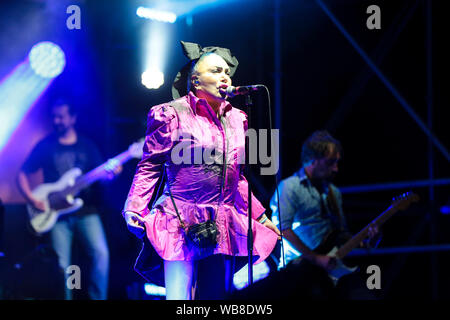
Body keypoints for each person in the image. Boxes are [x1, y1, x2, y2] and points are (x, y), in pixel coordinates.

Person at [122, 41, 280, 300]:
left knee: (215, 295)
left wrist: (260, 217)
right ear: (195, 80)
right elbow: (150, 165)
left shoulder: (237, 118)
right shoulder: (171, 114)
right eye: (216, 71)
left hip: (222, 219)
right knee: (181, 297)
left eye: (227, 72)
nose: (225, 76)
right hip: (180, 217)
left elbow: (235, 177)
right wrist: (135, 207)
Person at [17, 100, 121, 300]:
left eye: (61, 116)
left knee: (101, 254)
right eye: (54, 116)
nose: (56, 121)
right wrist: (31, 198)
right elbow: (22, 174)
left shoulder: (87, 146)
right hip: (56, 215)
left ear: (73, 118)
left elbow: (103, 179)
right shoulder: (45, 145)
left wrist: (112, 174)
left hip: (86, 212)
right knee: (63, 266)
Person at [270, 130, 381, 299]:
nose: (336, 169)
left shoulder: (333, 193)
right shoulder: (289, 187)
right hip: (300, 268)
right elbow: (282, 230)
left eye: (337, 162)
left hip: (332, 267)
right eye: (330, 162)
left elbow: (341, 237)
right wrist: (316, 258)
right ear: (313, 160)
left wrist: (367, 243)